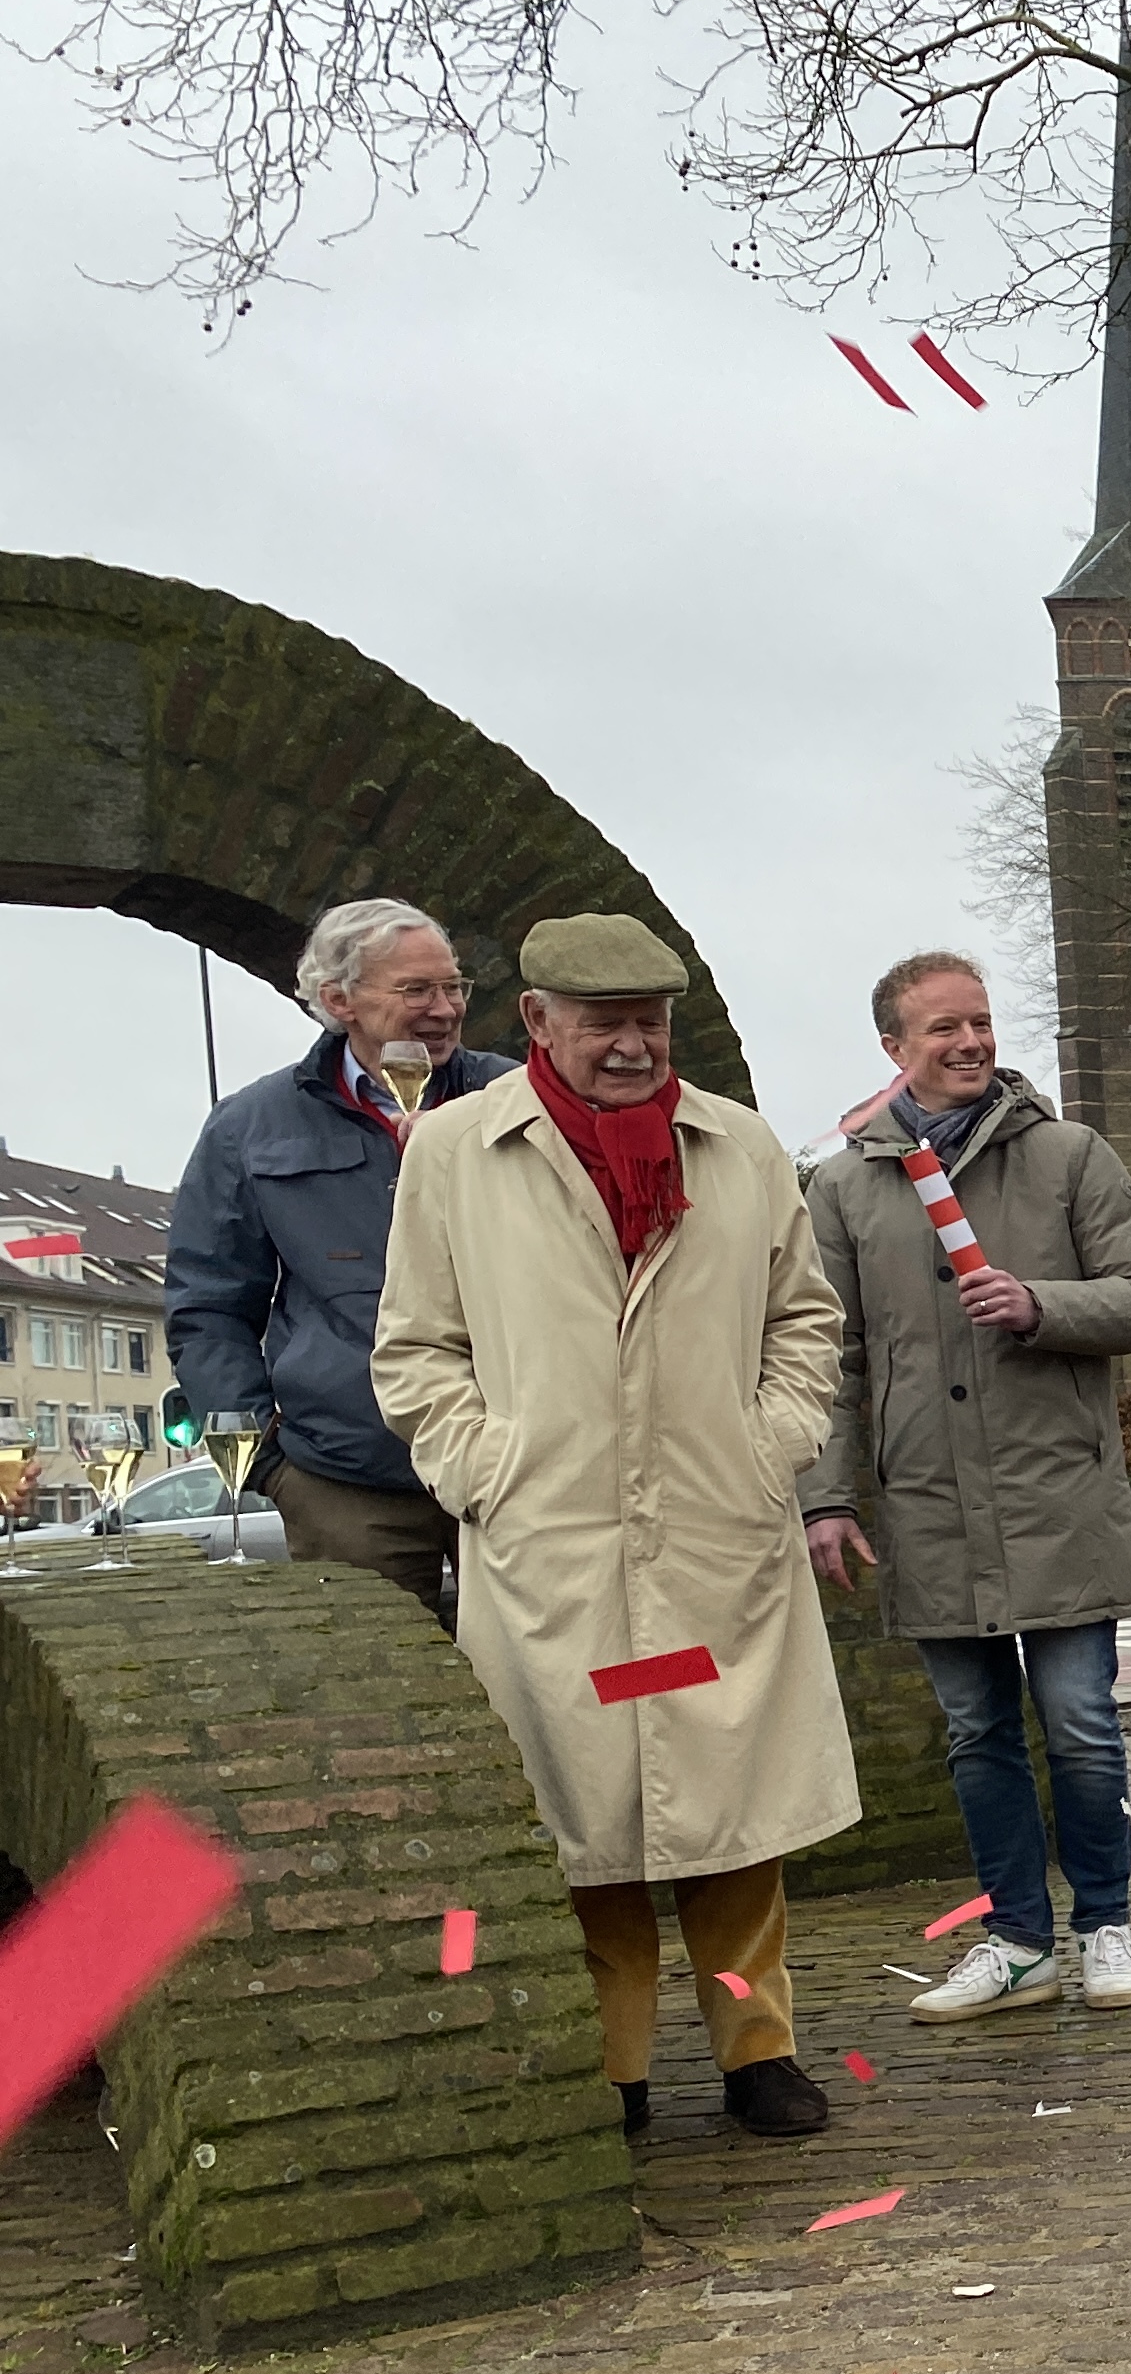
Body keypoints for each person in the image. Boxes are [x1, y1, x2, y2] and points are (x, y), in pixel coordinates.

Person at [372, 914, 859, 2141]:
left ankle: (760, 2050)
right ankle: (618, 2067)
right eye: (607, 1023)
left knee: (734, 1816)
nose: (635, 1046)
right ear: (537, 1022)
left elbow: (804, 1319)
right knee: (582, 1822)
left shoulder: (738, 1147)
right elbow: (418, 1346)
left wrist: (770, 1446)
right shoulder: (454, 1152)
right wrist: (487, 1469)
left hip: (711, 1538)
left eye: (652, 1021)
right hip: (556, 1546)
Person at [801, 952, 1131, 2020]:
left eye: (980, 1023)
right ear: (893, 1051)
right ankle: (1019, 1939)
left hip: (1055, 1494)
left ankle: (1105, 1921)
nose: (971, 1043)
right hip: (926, 1502)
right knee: (976, 1734)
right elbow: (833, 1356)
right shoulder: (843, 1186)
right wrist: (827, 1498)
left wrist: (1041, 1305)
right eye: (942, 1031)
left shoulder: (1068, 1156)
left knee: (1081, 1725)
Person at [164, 899, 519, 1621]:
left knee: (558, 1694)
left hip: (518, 1461)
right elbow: (208, 1305)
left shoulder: (515, 1100)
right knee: (382, 1700)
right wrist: (270, 1462)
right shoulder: (251, 1127)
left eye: (454, 987)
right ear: (337, 1000)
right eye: (416, 990)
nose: (444, 1009)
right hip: (347, 1481)